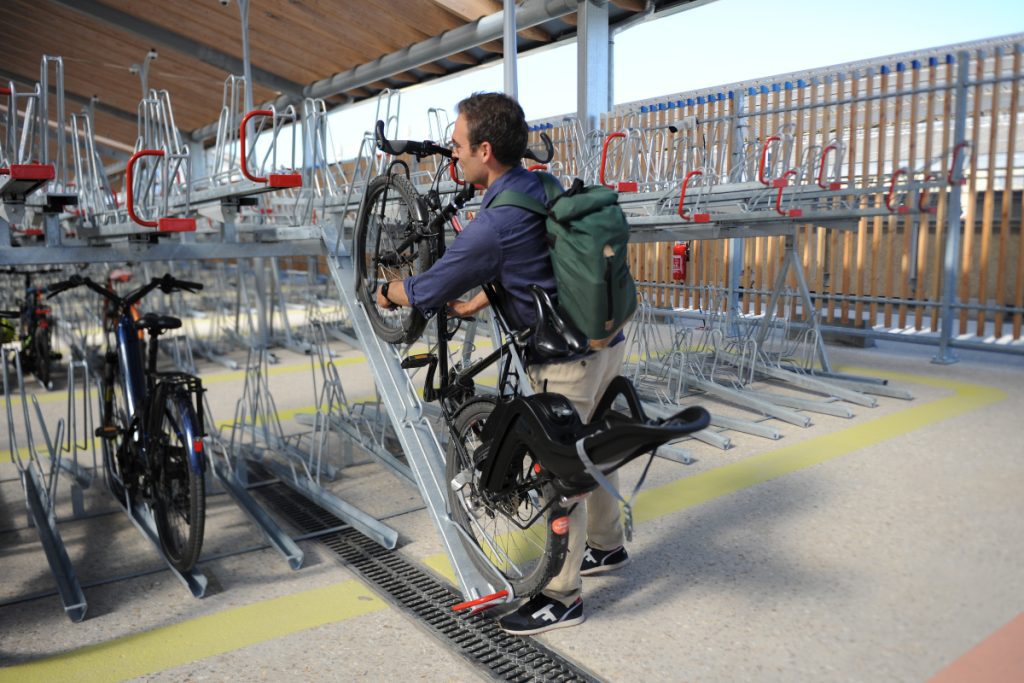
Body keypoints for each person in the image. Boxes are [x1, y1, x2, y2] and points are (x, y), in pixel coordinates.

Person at [375, 92, 629, 636]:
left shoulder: (492, 225)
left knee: (562, 473)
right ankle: (607, 548)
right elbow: (540, 258)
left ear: (484, 151)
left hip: (566, 357)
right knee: (596, 446)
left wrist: (388, 292)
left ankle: (561, 598)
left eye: (459, 146)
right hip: (607, 339)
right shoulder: (541, 185)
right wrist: (480, 300)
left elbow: (428, 288)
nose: (453, 156)